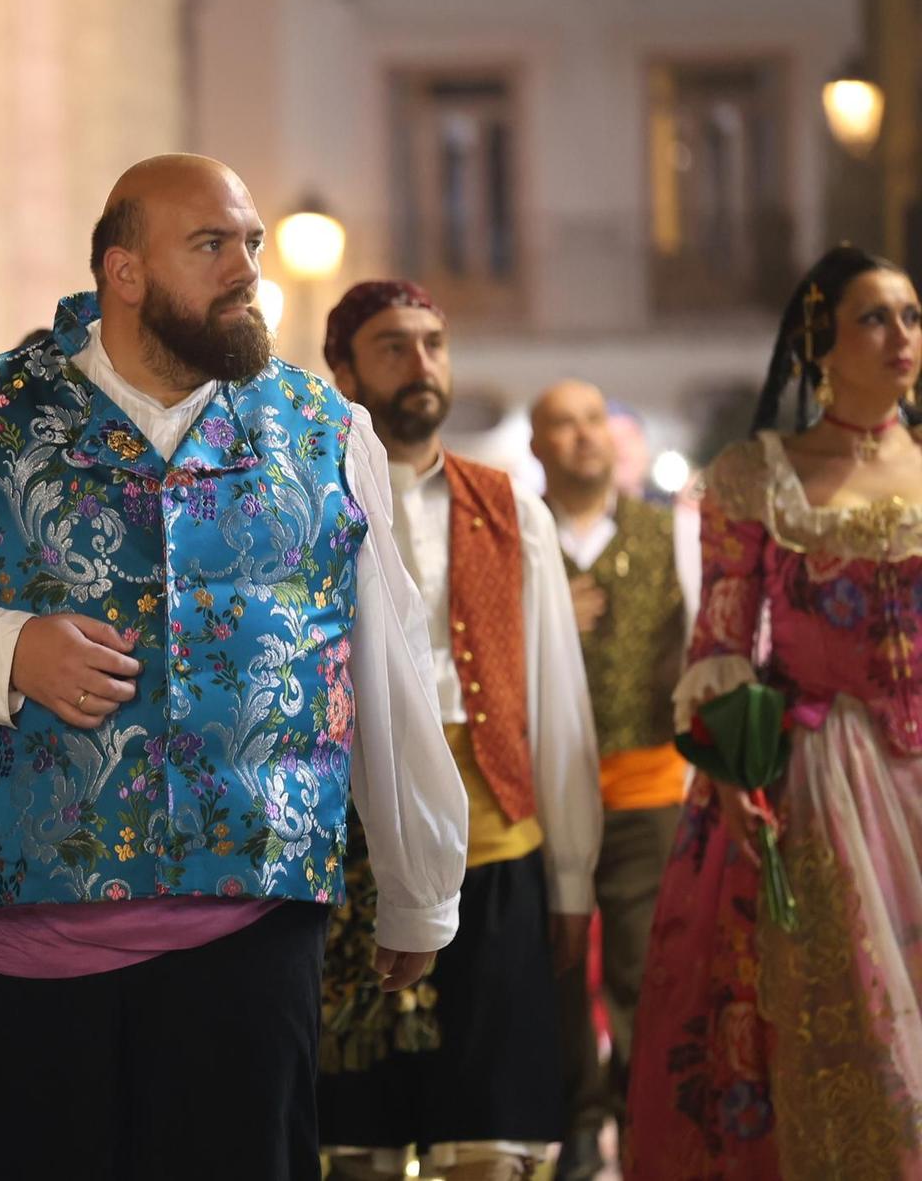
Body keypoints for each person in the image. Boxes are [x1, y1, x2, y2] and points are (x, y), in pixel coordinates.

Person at [0, 153, 469, 1179]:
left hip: (248, 932)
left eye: (249, 243)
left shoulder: (326, 432)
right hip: (25, 941)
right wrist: (1, 646)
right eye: (211, 244)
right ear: (122, 270)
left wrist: (420, 880)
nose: (246, 269)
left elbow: (381, 656)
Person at [626, 245, 922, 1180]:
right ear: (818, 340)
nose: (902, 336)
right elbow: (718, 643)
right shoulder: (762, 477)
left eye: (911, 315)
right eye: (875, 316)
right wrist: (732, 782)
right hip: (825, 775)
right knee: (865, 1041)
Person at [318, 281, 602, 1181]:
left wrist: (570, 880)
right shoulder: (308, 497)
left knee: (490, 1140)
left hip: (497, 838)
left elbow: (555, 698)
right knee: (350, 1139)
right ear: (343, 368)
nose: (421, 363)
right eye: (393, 344)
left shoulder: (510, 507)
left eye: (434, 342)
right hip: (345, 849)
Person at [530, 379, 689, 1181]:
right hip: (544, 788)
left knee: (641, 965)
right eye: (564, 423)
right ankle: (579, 1124)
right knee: (556, 961)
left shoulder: (668, 534)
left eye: (594, 420)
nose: (585, 436)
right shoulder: (520, 543)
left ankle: (642, 1124)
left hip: (648, 783)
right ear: (537, 445)